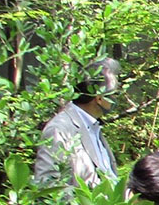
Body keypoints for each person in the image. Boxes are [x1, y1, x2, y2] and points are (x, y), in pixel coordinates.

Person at [33, 57, 121, 189]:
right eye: (115, 94)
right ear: (99, 98)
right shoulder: (59, 129)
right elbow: (47, 185)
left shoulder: (93, 125)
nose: (117, 98)